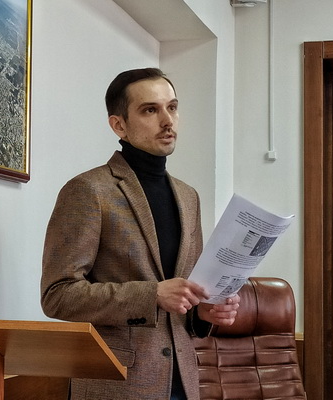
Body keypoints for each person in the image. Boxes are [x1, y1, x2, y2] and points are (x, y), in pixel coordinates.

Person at [40, 68, 240, 400]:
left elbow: (184, 298)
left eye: (172, 107)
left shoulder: (188, 197)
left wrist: (203, 312)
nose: (168, 120)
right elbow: (57, 295)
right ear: (119, 125)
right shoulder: (88, 190)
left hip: (185, 382)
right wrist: (152, 295)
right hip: (118, 384)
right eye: (150, 110)